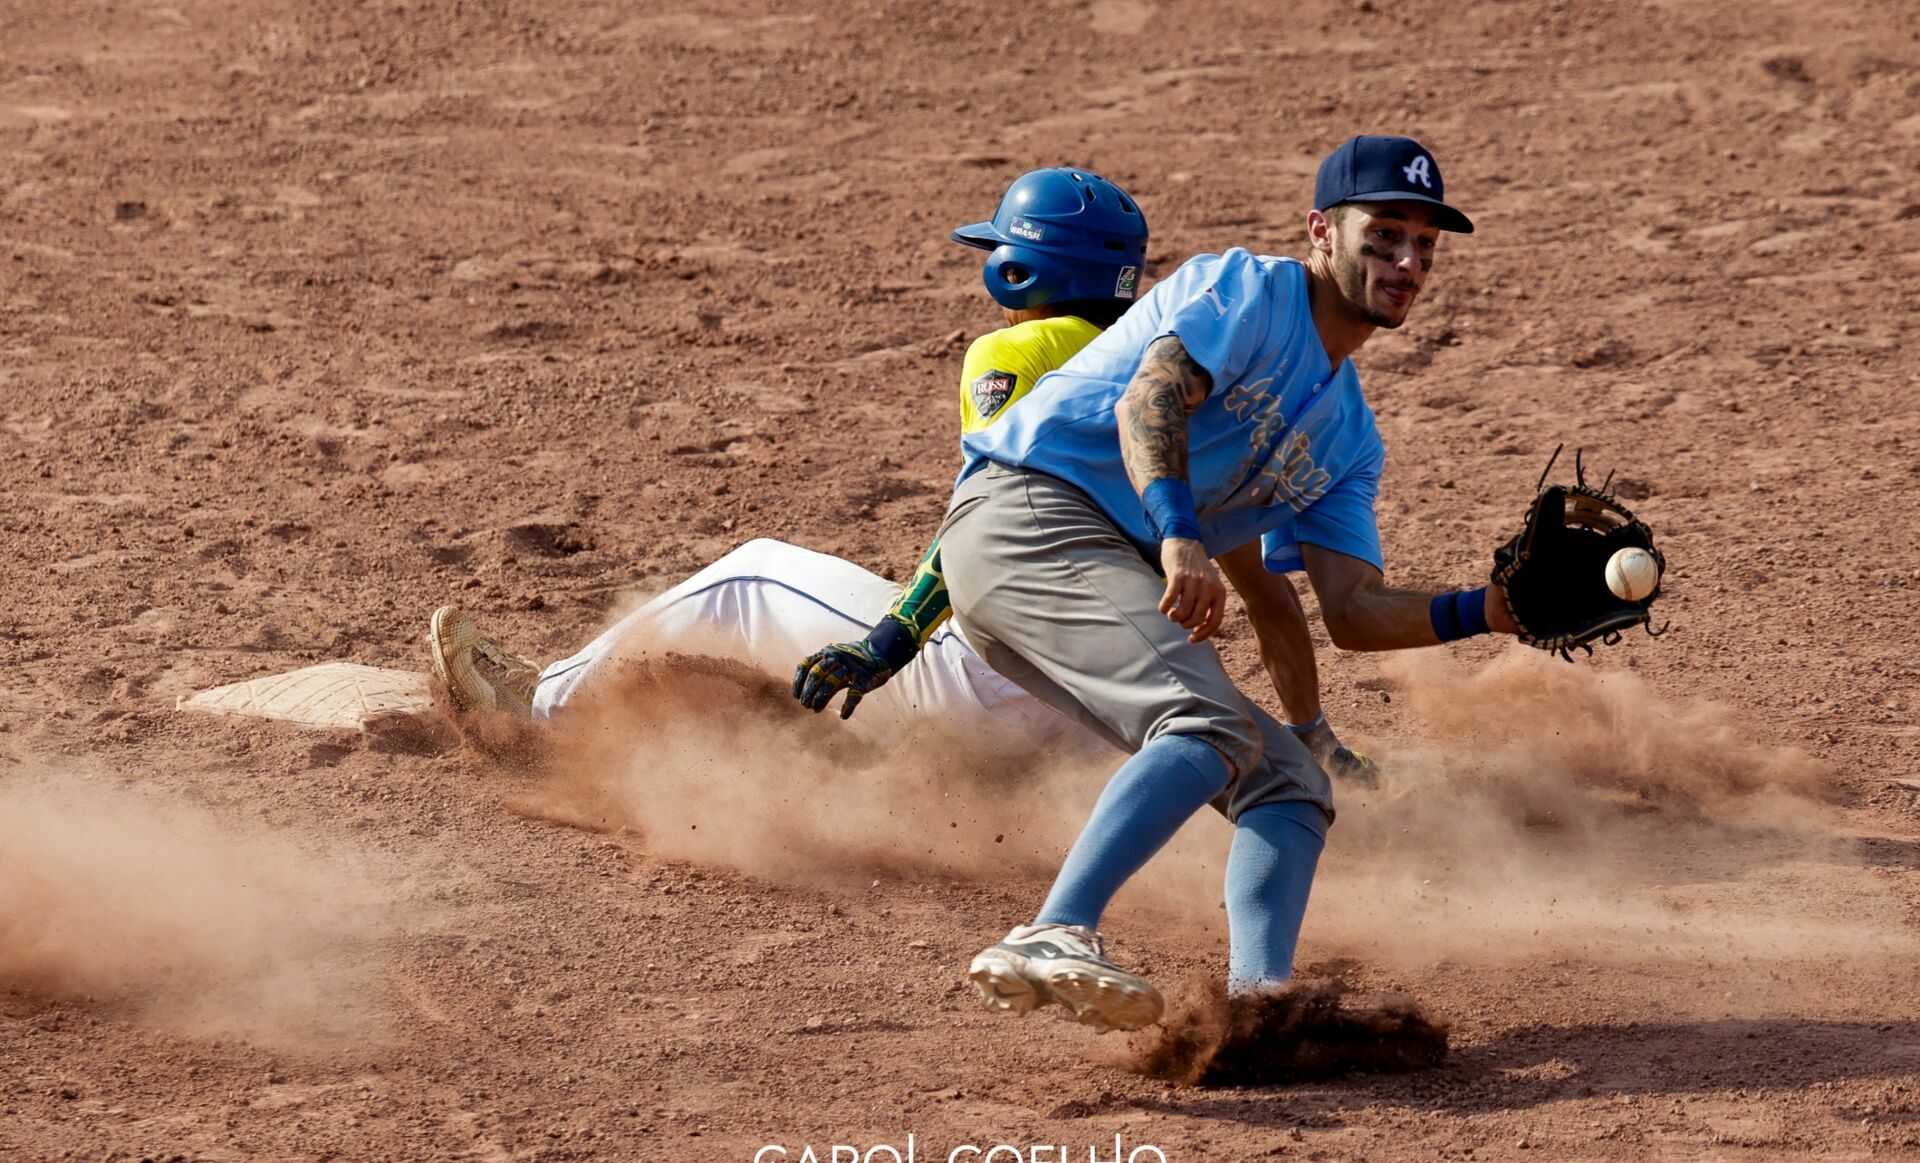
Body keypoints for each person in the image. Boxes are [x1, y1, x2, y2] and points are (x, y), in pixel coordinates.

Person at [429, 169, 1369, 775]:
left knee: (751, 572)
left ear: (1016, 271)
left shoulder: (1022, 352)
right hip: (1109, 717)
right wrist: (1312, 736)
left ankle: (539, 709)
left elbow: (988, 519)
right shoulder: (1197, 380)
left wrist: (896, 636)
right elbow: (1272, 602)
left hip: (996, 677)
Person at [913, 136, 1517, 1035]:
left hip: (1093, 567)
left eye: (1424, 246)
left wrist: (1491, 611)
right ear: (1322, 230)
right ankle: (1053, 929)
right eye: (1384, 234)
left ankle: (1257, 1005)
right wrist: (1182, 536)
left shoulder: (1350, 436)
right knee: (1203, 724)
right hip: (1030, 516)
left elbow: (1350, 610)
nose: (1406, 262)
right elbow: (1148, 397)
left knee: (1288, 788)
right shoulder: (1247, 289)